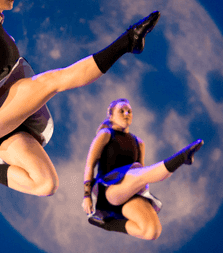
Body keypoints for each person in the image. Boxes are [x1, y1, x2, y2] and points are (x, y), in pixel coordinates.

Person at [0, 0, 160, 196]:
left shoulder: (5, 37)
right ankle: (128, 41)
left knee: (46, 183)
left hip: (4, 125)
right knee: (53, 81)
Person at [81, 98, 203, 240]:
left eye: (129, 111)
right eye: (121, 111)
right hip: (110, 191)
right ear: (111, 115)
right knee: (139, 174)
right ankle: (181, 158)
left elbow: (144, 173)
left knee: (152, 231)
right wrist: (87, 195)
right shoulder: (105, 134)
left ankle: (108, 224)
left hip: (131, 191)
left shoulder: (139, 143)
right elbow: (89, 165)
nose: (126, 114)